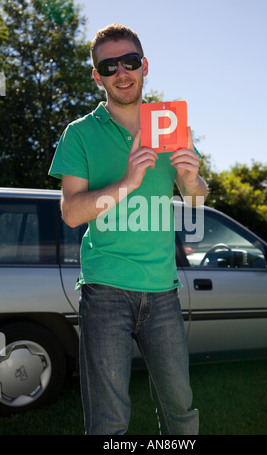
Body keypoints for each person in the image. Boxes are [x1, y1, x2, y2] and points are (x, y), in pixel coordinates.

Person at [49, 23, 208, 435]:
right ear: (97, 75)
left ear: (144, 66)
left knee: (181, 410)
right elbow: (71, 213)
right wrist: (125, 184)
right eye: (109, 65)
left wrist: (192, 181)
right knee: (108, 420)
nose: (122, 72)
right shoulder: (79, 134)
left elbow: (195, 204)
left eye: (130, 61)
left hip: (164, 289)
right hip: (105, 290)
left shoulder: (172, 126)